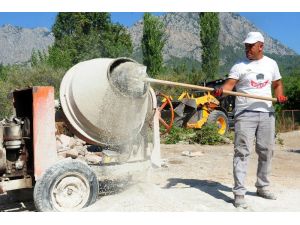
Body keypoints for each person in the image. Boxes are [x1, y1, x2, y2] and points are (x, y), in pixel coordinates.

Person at [213, 31, 287, 208]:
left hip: (267, 113)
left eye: (250, 46)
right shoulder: (239, 65)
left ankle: (262, 186)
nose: (247, 49)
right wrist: (221, 92)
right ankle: (239, 193)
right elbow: (229, 86)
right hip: (245, 114)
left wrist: (280, 95)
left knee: (266, 151)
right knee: (242, 152)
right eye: (246, 46)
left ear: (260, 46)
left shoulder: (271, 64)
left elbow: (277, 84)